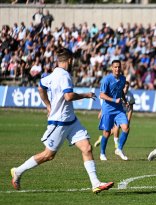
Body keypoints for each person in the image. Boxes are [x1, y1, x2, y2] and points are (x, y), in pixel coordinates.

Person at [10, 48, 113, 194]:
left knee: (87, 148)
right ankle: (18, 171)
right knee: (48, 155)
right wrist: (85, 95)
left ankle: (95, 183)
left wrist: (48, 106)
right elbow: (68, 97)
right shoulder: (64, 75)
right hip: (59, 122)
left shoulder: (52, 75)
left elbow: (41, 87)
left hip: (70, 120)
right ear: (70, 60)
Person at [98, 60, 130, 161]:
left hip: (119, 109)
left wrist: (124, 100)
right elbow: (102, 95)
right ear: (112, 68)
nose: (117, 69)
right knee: (107, 133)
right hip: (108, 109)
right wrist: (113, 100)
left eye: (119, 67)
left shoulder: (123, 79)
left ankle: (119, 149)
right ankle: (102, 153)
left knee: (126, 128)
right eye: (115, 67)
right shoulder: (106, 80)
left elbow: (121, 91)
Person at [95, 81, 135, 149]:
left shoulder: (130, 95)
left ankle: (102, 138)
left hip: (122, 113)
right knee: (116, 127)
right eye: (124, 87)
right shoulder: (117, 93)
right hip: (114, 112)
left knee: (115, 129)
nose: (126, 89)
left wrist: (128, 120)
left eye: (127, 87)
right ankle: (116, 144)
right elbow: (108, 103)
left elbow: (131, 109)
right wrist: (102, 111)